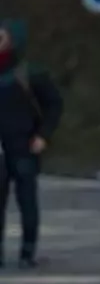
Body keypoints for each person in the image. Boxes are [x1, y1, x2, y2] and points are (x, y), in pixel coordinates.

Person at [0, 18, 63, 269]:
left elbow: (54, 104)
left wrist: (43, 135)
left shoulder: (30, 73)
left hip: (24, 146)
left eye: (1, 37)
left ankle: (27, 252)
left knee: (27, 201)